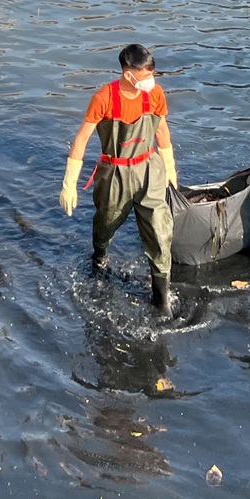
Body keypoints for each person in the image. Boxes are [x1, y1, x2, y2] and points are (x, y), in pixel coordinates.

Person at [59, 44, 178, 318]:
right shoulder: (104, 98)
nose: (151, 80)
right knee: (106, 223)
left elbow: (161, 132)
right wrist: (69, 183)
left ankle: (161, 300)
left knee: (161, 231)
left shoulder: (155, 94)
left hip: (149, 168)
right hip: (114, 173)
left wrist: (170, 169)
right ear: (128, 74)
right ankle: (100, 256)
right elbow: (82, 139)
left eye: (152, 73)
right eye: (145, 73)